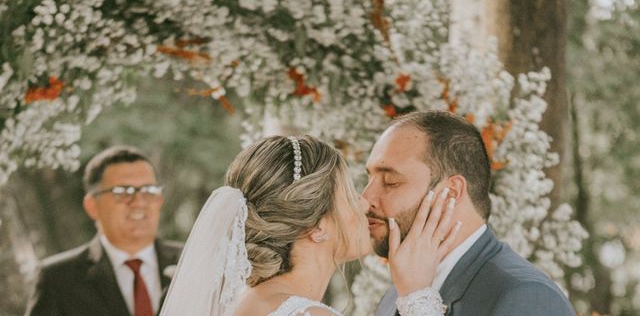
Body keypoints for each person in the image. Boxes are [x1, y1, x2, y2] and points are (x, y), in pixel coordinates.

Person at [159, 135, 458, 316]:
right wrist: (418, 296)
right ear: (317, 227)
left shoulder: (247, 302)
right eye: (350, 194)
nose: (365, 202)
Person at [364, 110, 576, 316]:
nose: (366, 199)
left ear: (451, 192)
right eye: (369, 179)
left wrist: (416, 300)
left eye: (390, 182)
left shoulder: (528, 297)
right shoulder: (394, 296)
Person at [25, 145, 182, 316]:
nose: (139, 202)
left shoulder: (195, 261)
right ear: (92, 206)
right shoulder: (57, 279)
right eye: (123, 192)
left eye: (148, 190)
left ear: (160, 200)